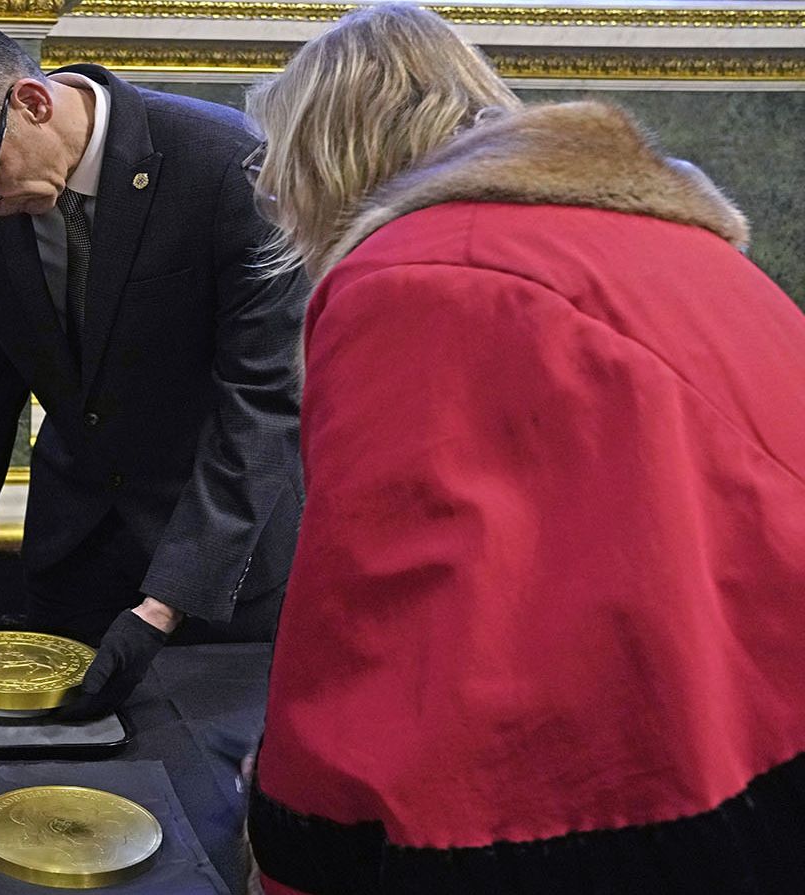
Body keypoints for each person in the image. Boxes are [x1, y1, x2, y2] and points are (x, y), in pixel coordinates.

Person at [239, 5, 805, 893]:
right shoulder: (674, 243)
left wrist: (295, 839)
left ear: (323, 155)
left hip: (603, 820)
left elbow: (375, 618)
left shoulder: (412, 279)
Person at [0, 18, 307, 718]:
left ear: (32, 104)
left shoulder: (228, 164)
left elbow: (263, 403)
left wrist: (165, 604)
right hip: (71, 560)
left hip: (216, 567)